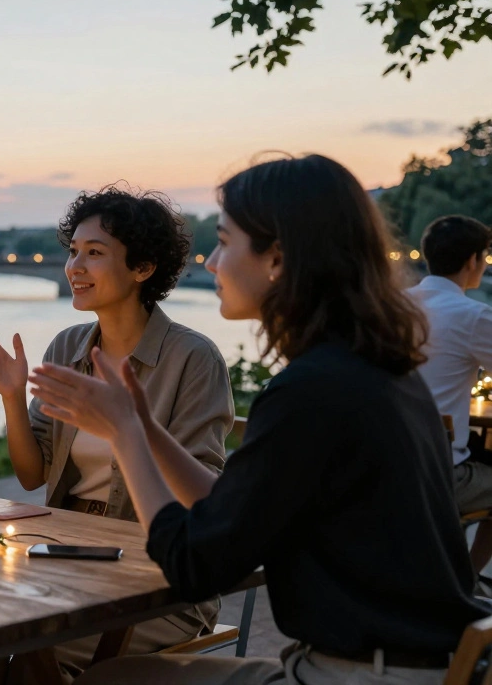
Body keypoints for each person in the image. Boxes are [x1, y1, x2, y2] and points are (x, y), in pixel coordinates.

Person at [31, 154, 489, 685]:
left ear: (277, 259)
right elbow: (228, 510)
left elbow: (194, 565)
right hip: (414, 664)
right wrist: (144, 426)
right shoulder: (373, 372)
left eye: (225, 242)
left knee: (100, 678)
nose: (210, 263)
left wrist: (127, 434)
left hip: (360, 677)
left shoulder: (311, 393)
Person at [0, 187, 234, 682]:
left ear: (143, 268)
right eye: (73, 252)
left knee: (33, 647)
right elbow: (31, 476)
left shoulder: (192, 359)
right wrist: (11, 396)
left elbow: (200, 500)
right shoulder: (67, 347)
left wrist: (130, 427)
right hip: (66, 556)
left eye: (94, 253)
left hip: (158, 578)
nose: (74, 267)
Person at [407, 215, 492, 572]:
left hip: (383, 464)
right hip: (437, 476)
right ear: (473, 260)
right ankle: (464, 583)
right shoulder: (472, 316)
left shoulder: (392, 306)